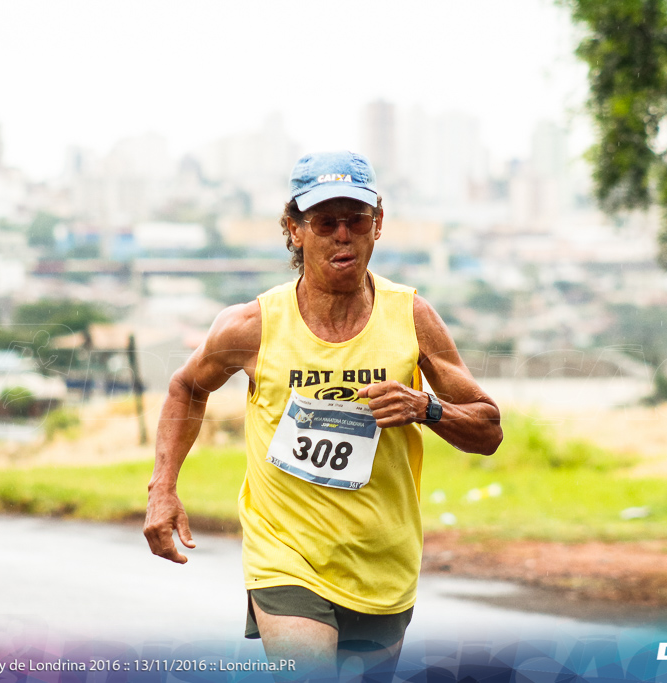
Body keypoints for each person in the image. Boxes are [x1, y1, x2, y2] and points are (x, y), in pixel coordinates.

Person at [143, 151, 503, 681]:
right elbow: (185, 388)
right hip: (285, 556)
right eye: (324, 222)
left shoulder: (413, 318)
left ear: (377, 224)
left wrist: (425, 407)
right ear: (294, 229)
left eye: (355, 220)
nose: (342, 235)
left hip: (382, 564)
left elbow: (488, 428)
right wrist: (162, 488)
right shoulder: (252, 325)